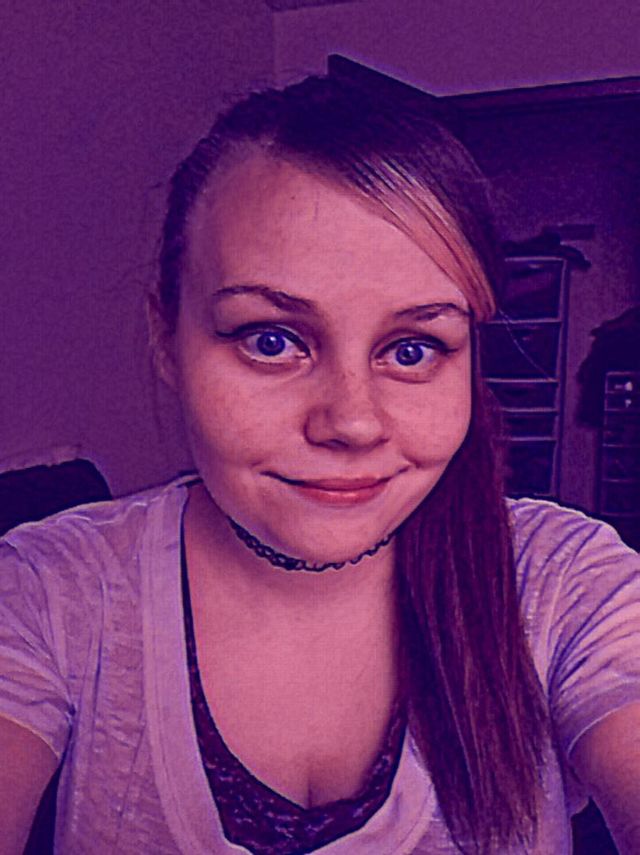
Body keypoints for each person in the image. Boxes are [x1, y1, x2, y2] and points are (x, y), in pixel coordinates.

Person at [1, 74, 639, 855]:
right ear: (167, 338)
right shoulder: (52, 591)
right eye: (271, 340)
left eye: (414, 348)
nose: (352, 422)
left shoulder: (565, 584)